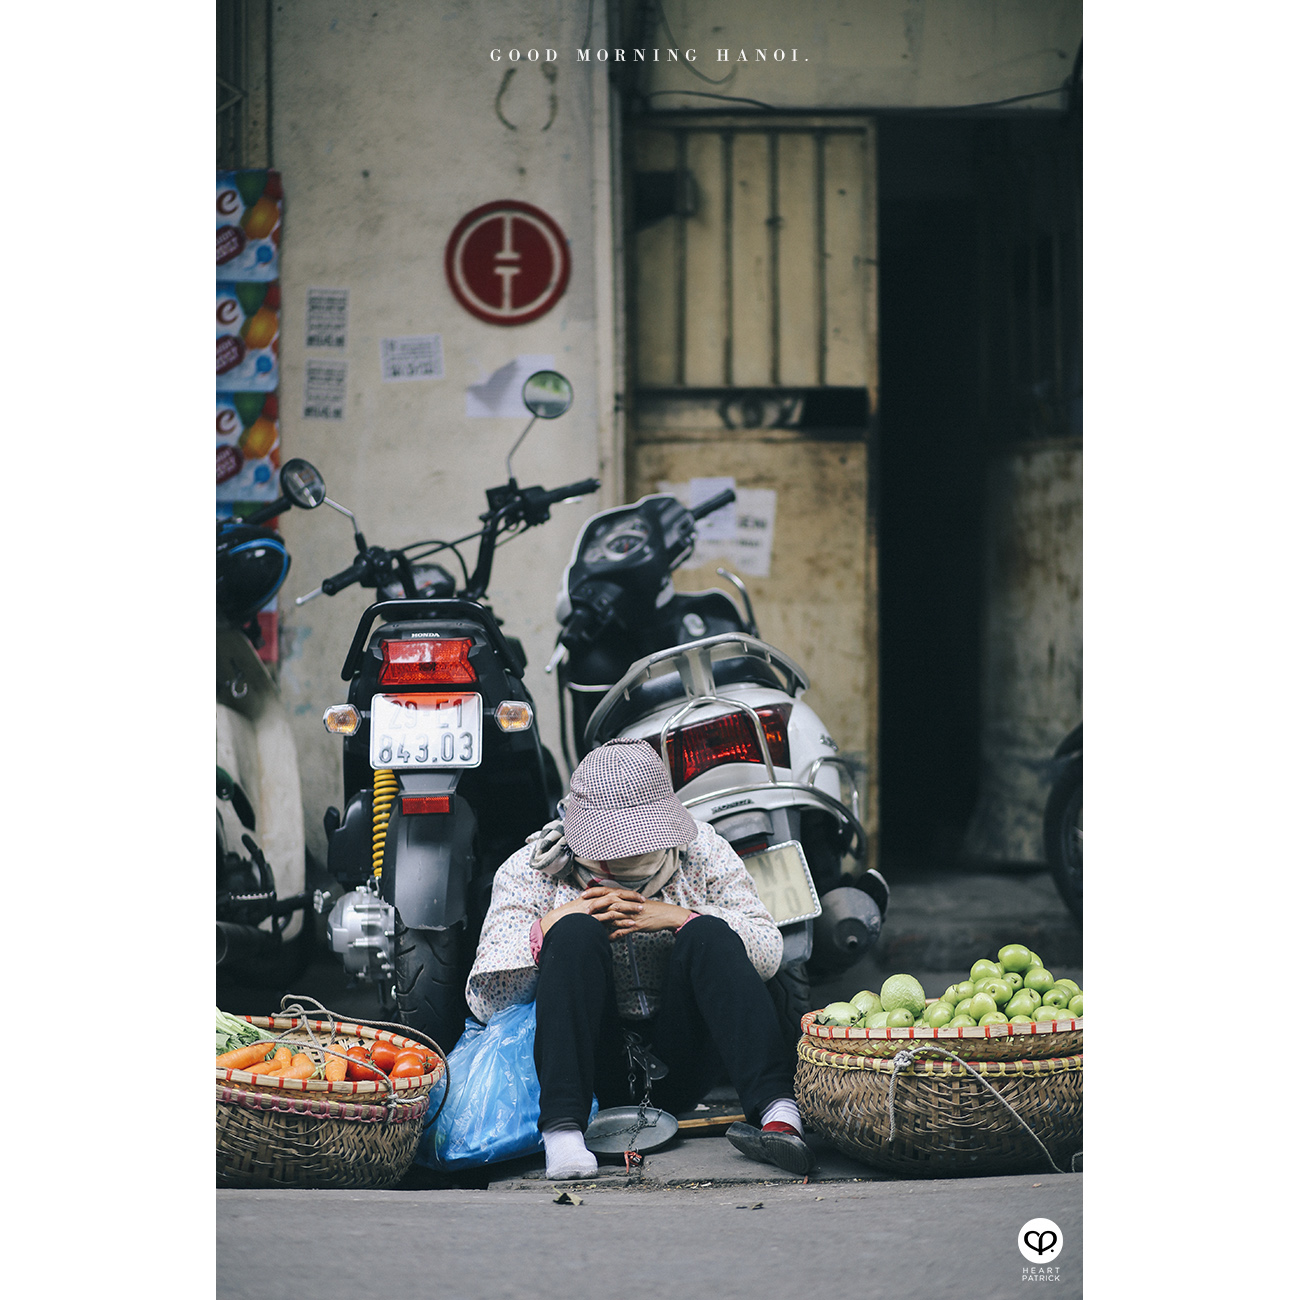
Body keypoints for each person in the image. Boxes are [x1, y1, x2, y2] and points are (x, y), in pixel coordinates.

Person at [466, 736, 815, 1180]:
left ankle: (780, 1116)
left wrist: (681, 917)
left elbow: (768, 951)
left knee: (708, 931)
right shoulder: (531, 869)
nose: (628, 852)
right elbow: (485, 1000)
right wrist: (550, 926)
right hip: (592, 1065)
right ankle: (562, 1134)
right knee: (573, 933)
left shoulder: (701, 850)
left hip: (684, 1054)